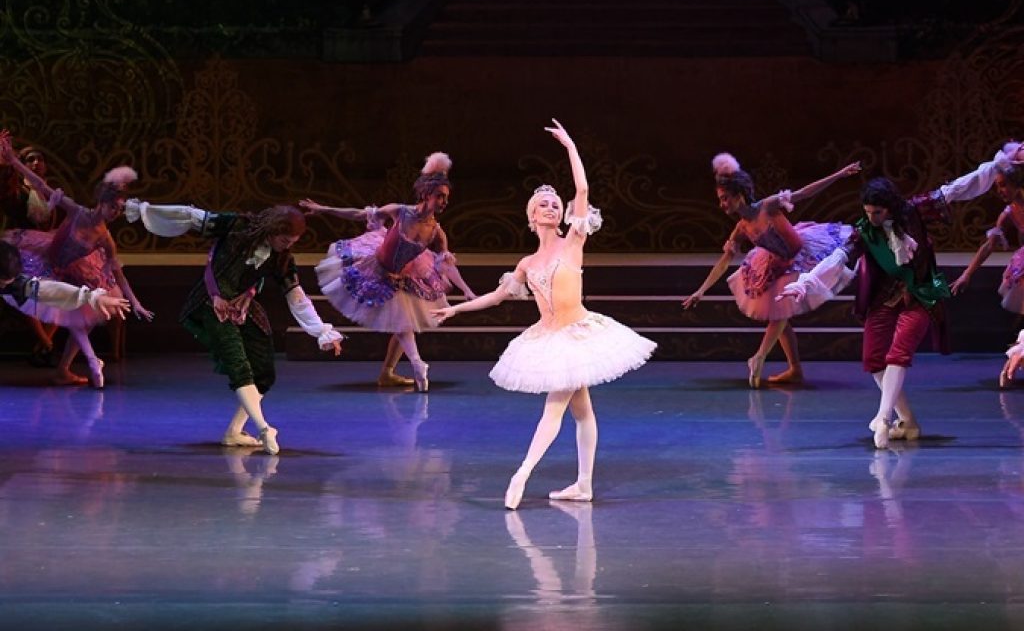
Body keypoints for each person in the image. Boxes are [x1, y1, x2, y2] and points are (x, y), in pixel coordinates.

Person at [432, 120, 656, 509]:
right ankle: (583, 485)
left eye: (555, 204)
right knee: (582, 411)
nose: (551, 207)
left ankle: (522, 474)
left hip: (579, 334)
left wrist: (570, 146)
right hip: (549, 337)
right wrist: (455, 308)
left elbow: (582, 189)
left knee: (554, 410)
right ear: (532, 217)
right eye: (543, 205)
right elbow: (497, 296)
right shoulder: (527, 262)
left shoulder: (574, 242)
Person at [781, 141, 1024, 448]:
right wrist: (805, 283)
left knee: (899, 352)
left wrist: (997, 164)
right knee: (873, 359)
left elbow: (957, 188)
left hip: (921, 292)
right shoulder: (865, 230)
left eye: (878, 212)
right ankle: (906, 421)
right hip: (885, 295)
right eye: (868, 212)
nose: (873, 218)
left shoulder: (915, 210)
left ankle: (883, 417)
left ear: (891, 207)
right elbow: (839, 257)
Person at [124, 199, 344, 454]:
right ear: (273, 231)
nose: (287, 247)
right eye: (285, 240)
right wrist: (146, 212)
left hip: (241, 306)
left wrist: (321, 331)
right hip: (211, 303)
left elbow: (296, 295)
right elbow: (192, 216)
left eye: (291, 243)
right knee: (238, 362)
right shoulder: (236, 226)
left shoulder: (280, 258)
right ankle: (264, 428)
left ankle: (234, 432)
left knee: (263, 370)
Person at [301, 152, 475, 392]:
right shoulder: (400, 212)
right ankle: (413, 366)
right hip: (376, 268)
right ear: (426, 194)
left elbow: (446, 263)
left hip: (405, 275)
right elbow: (358, 214)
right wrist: (324, 209)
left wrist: (466, 290)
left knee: (404, 323)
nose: (444, 202)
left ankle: (399, 370)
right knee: (403, 323)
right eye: (440, 196)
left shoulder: (436, 232)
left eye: (446, 198)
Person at [682, 153, 861, 387]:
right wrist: (700, 291)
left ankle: (759, 357)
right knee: (780, 313)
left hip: (800, 254)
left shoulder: (767, 206)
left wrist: (839, 174)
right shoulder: (742, 227)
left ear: (739, 196)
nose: (722, 204)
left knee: (780, 312)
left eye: (725, 198)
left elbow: (804, 193)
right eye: (720, 199)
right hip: (775, 263)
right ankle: (794, 369)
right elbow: (724, 261)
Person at [0, 131, 152, 388]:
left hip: (74, 271)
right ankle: (82, 363)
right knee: (57, 305)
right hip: (46, 256)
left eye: (119, 209)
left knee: (83, 316)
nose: (116, 213)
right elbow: (42, 187)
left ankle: (70, 367)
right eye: (113, 207)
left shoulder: (105, 239)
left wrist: (135, 303)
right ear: (101, 203)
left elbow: (119, 275)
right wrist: (13, 160)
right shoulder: (78, 211)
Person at [952, 163, 1024, 386]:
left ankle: (1013, 361)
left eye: (1003, 185)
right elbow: (988, 246)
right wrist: (967, 274)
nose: (1000, 191)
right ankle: (1013, 362)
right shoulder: (1010, 211)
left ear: (1016, 184)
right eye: (997, 187)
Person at [0, 143, 59, 364]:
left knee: (59, 296)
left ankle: (43, 345)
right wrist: (7, 162)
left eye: (40, 159)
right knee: (27, 295)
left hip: (47, 248)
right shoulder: (18, 191)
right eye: (30, 160)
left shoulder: (50, 190)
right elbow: (7, 197)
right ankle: (46, 344)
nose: (36, 163)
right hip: (21, 249)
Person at [0, 240, 131, 320]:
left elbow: (49, 290)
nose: (2, 286)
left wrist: (93, 297)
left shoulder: (17, 282)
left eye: (4, 283)